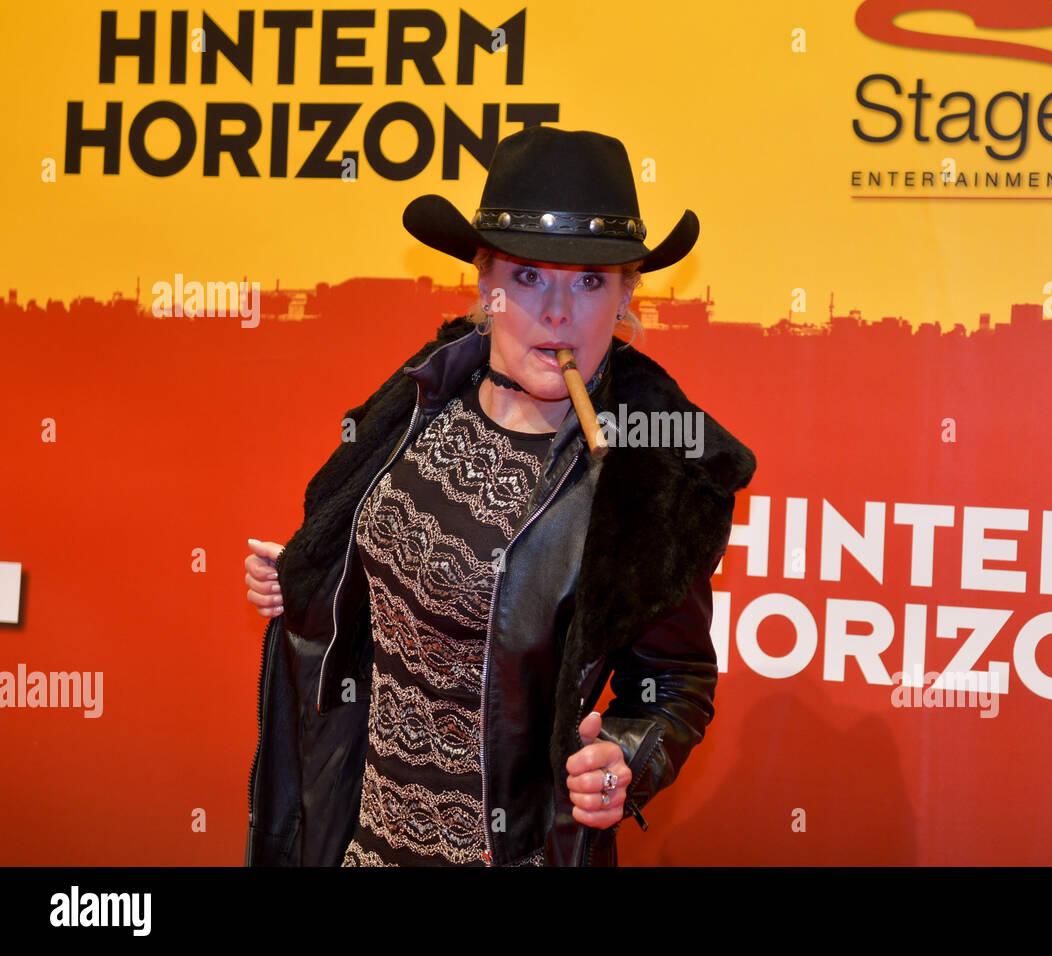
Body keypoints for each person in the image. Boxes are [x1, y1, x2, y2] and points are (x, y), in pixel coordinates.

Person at [242, 126, 757, 866]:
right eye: (528, 277)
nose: (558, 313)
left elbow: (675, 682)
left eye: (589, 282)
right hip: (357, 845)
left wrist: (625, 756)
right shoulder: (425, 389)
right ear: (486, 286)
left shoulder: (653, 472)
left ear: (625, 298)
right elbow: (363, 563)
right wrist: (306, 576)